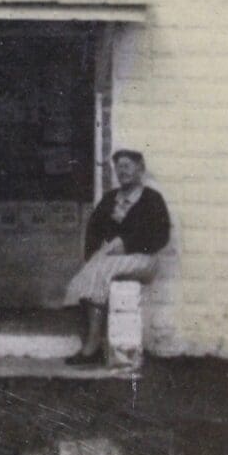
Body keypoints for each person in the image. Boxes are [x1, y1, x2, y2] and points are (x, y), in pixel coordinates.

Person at [63, 149, 171, 365]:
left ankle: (92, 347)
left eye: (128, 166)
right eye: (119, 167)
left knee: (99, 272)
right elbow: (94, 229)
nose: (123, 171)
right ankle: (91, 343)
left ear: (140, 170)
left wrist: (127, 244)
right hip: (113, 261)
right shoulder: (111, 199)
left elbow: (161, 236)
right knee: (85, 277)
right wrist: (92, 256)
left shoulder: (152, 199)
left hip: (143, 260)